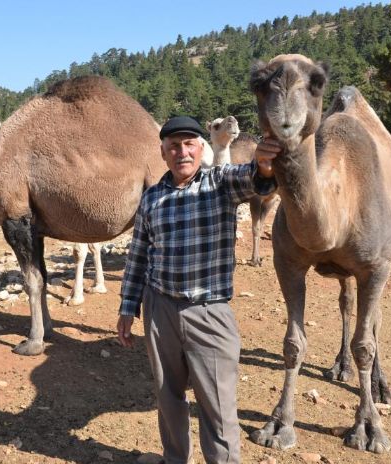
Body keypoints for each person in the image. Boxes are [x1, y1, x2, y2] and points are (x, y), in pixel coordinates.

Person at [116, 115, 280, 463]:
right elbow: (139, 255)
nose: (182, 152)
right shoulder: (151, 199)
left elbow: (255, 180)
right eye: (173, 146)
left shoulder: (219, 183)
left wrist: (264, 167)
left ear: (201, 148)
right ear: (163, 153)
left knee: (217, 402)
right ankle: (176, 458)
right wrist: (128, 307)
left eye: (189, 144)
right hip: (160, 310)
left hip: (209, 311)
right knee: (167, 396)